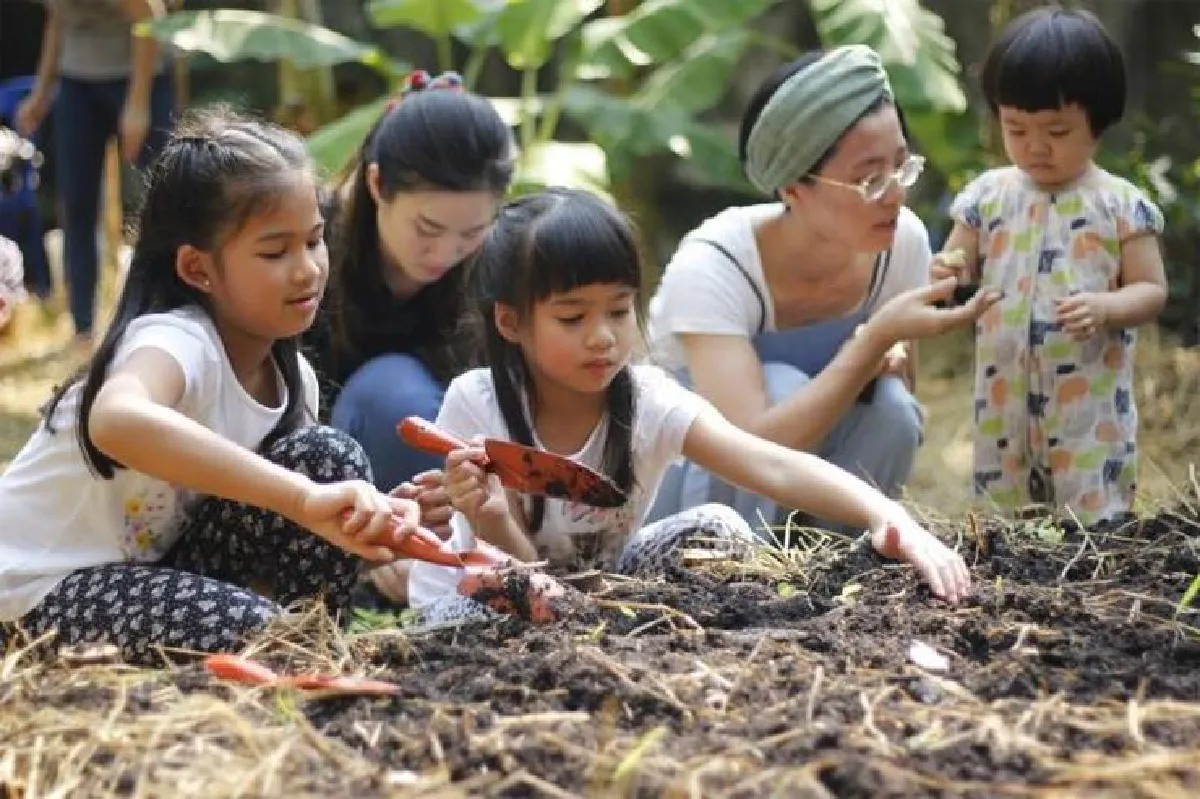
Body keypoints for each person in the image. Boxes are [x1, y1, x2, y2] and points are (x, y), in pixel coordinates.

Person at [391, 187, 971, 624]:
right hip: (490, 595)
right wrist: (491, 515)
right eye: (573, 318)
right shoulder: (479, 402)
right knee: (483, 614)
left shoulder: (646, 399)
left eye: (618, 312)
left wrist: (889, 518)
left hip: (598, 591)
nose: (603, 337)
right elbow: (513, 574)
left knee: (717, 528)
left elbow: (769, 463)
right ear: (511, 323)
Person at [0, 107, 424, 666]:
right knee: (264, 632)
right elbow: (117, 419)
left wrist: (375, 521)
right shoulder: (176, 341)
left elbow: (295, 512)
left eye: (315, 241)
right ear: (198, 270)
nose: (308, 270)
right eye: (275, 252)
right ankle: (295, 657)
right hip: (37, 590)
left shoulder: (290, 379)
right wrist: (300, 498)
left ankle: (318, 655)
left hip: (149, 571)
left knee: (328, 457)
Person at [643, 45, 1000, 533]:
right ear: (793, 188)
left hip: (813, 474)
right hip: (704, 494)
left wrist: (889, 357)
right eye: (870, 179)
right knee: (785, 381)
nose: (896, 193)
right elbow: (751, 450)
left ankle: (842, 562)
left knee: (893, 411)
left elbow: (901, 392)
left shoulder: (902, 242)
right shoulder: (712, 267)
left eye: (902, 165)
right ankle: (745, 576)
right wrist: (872, 341)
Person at [933, 6, 1167, 527]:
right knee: (1004, 509)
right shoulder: (986, 196)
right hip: (1003, 395)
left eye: (1057, 131)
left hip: (1087, 403)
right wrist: (947, 271)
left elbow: (1151, 289)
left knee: (1092, 514)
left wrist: (1107, 306)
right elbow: (957, 260)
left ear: (1099, 121)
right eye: (1016, 128)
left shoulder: (1120, 204)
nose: (1035, 146)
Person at [305, 70, 515, 495]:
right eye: (427, 228)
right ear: (378, 183)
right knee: (389, 395)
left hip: (459, 490)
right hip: (320, 481)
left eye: (471, 234)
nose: (444, 254)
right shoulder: (307, 248)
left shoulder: (500, 265)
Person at [15, 0, 176, 347]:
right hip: (77, 81)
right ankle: (83, 327)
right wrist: (41, 94)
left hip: (139, 74)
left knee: (162, 199)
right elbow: (57, 21)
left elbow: (149, 19)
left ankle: (167, 311)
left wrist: (137, 104)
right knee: (77, 202)